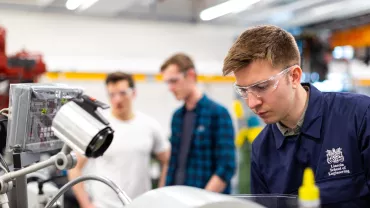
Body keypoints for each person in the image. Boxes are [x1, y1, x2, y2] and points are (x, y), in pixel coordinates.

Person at [222, 25, 370, 207]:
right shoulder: (262, 149)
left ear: (294, 76)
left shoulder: (359, 116)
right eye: (243, 91)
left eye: (261, 87)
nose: (252, 103)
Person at [68, 72, 171, 208]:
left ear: (133, 93)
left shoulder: (149, 126)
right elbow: (74, 167)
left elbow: (167, 160)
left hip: (140, 205)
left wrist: (159, 196)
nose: (117, 99)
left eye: (123, 93)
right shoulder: (98, 127)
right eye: (112, 94)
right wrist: (86, 204)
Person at [160, 53, 236, 194]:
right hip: (179, 198)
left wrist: (201, 201)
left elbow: (226, 167)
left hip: (207, 201)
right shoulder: (177, 117)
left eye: (174, 81)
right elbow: (172, 164)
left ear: (190, 75)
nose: (170, 88)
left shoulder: (218, 113)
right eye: (168, 83)